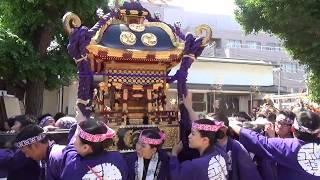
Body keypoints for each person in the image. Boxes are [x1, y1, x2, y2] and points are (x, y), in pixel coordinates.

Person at [229, 111, 320, 180]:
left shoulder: (288, 147)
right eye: (278, 122)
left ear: (292, 128)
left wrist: (232, 124)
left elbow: (258, 141)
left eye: (284, 123)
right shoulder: (285, 145)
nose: (279, 126)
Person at [60, 118, 128, 179]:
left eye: (76, 137)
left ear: (85, 147)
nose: (74, 139)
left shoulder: (74, 167)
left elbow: (70, 149)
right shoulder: (117, 158)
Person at [209, 113, 262, 180]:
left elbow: (249, 174)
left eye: (219, 127)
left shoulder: (237, 147)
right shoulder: (207, 145)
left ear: (225, 128)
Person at [0, 115, 41, 180]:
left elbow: (13, 161)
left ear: (25, 126)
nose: (13, 127)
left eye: (16, 124)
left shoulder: (28, 142)